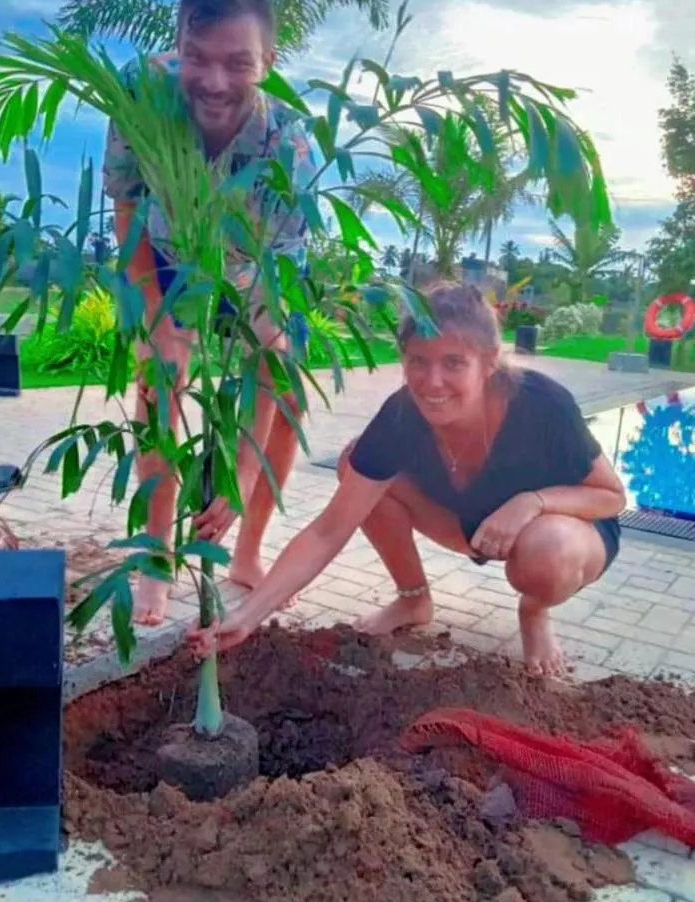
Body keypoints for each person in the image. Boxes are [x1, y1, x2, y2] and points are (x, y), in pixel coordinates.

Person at [190, 281, 625, 676]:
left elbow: (610, 496)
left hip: (565, 530)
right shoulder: (401, 416)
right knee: (353, 465)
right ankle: (414, 599)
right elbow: (328, 531)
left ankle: (535, 612)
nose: (432, 382)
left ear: (489, 362)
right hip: (468, 523)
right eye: (418, 361)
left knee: (548, 548)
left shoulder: (540, 404)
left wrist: (533, 502)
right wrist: (246, 618)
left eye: (454, 362)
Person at [103, 0, 318, 626]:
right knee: (157, 380)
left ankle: (246, 548)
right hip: (166, 253)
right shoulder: (144, 95)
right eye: (197, 57)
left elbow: (266, 343)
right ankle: (155, 558)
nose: (215, 81)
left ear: (269, 58)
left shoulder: (288, 149)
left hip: (265, 273)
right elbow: (127, 207)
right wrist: (158, 319)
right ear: (178, 41)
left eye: (238, 62)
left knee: (285, 400)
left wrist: (241, 471)